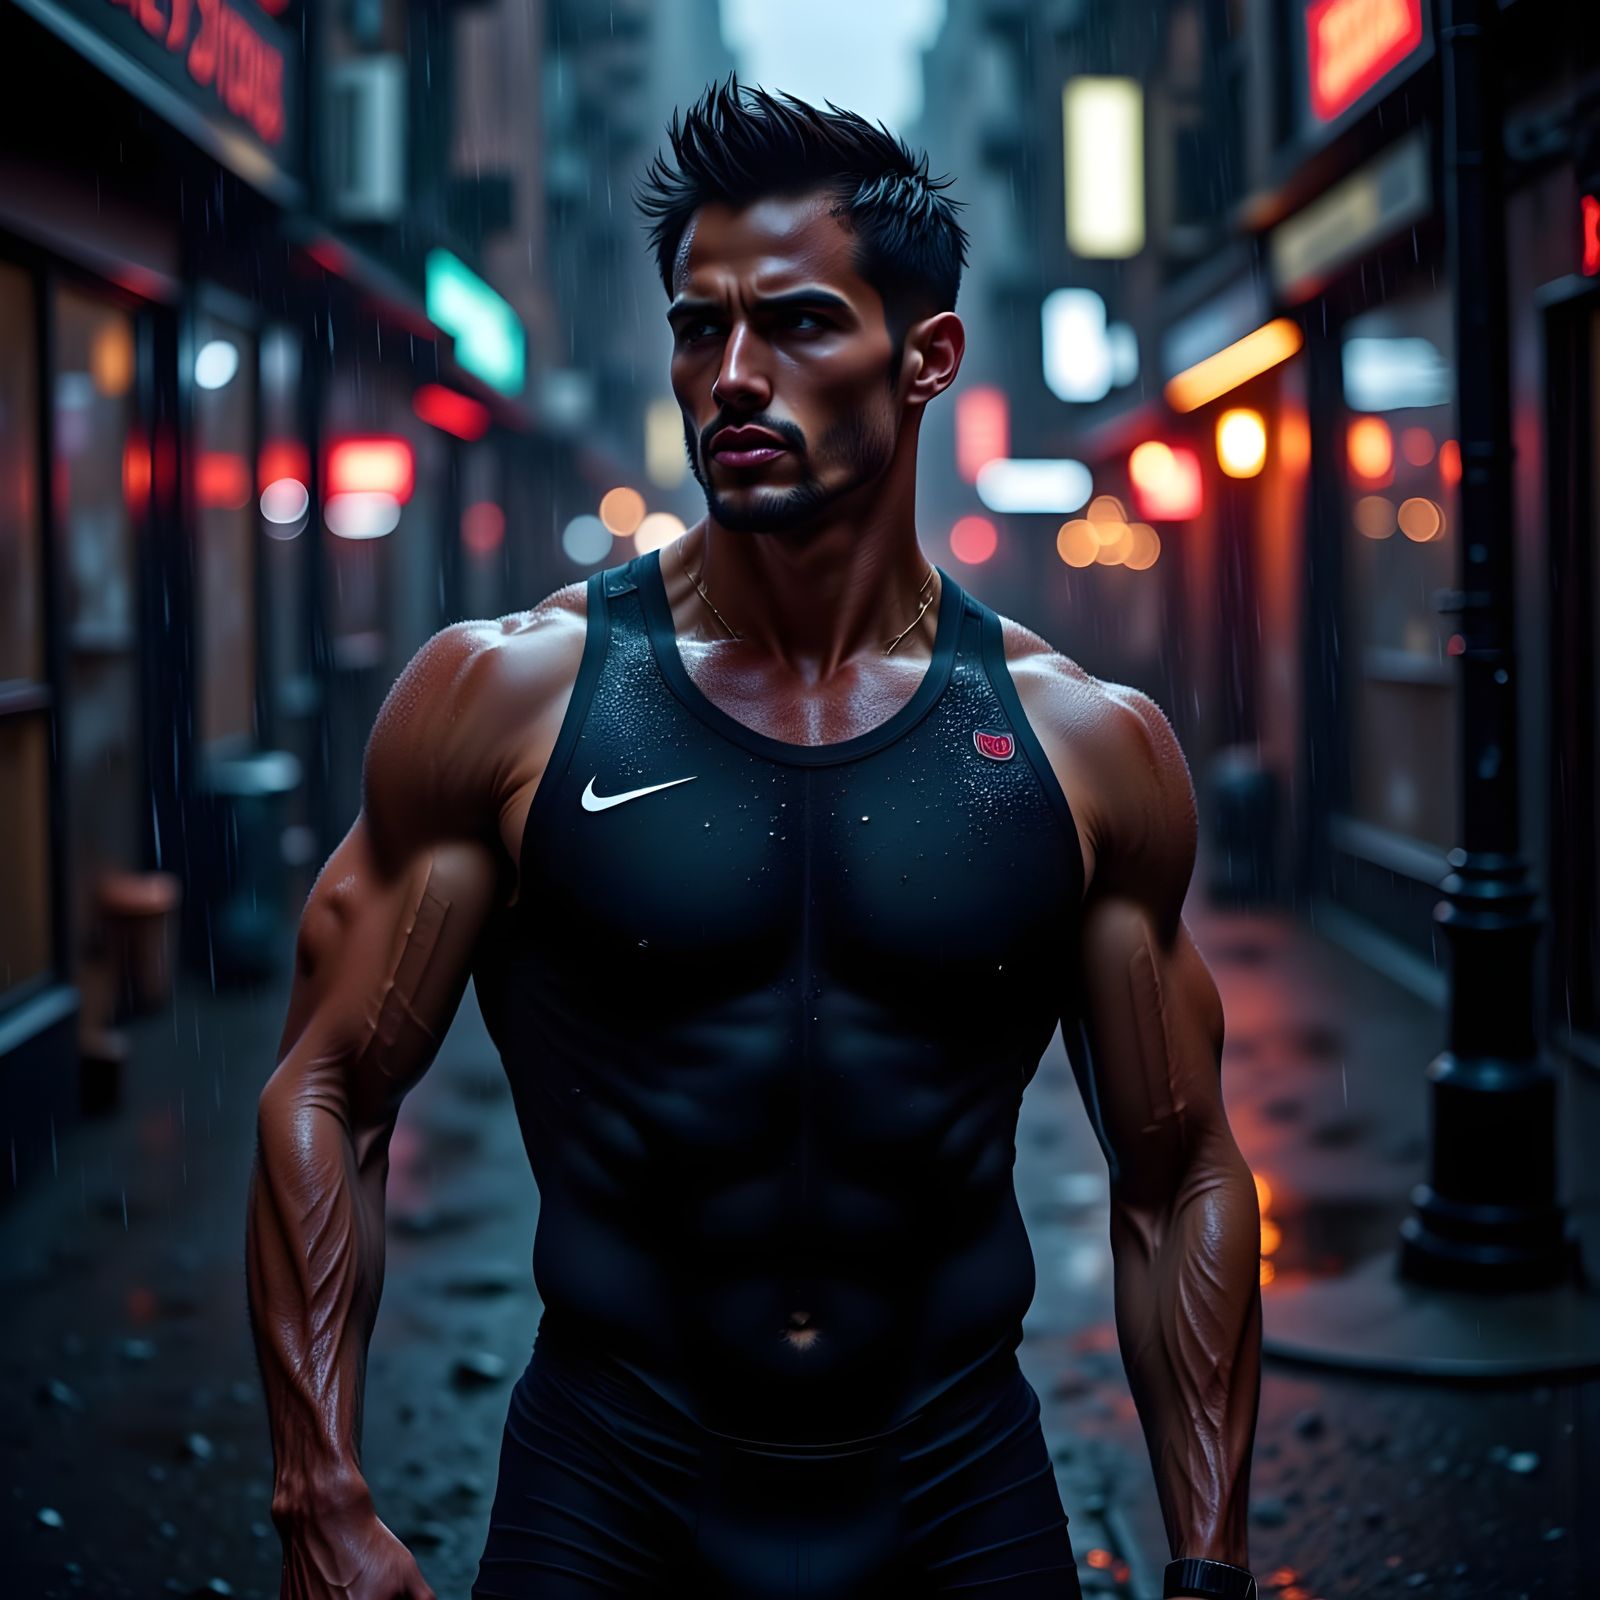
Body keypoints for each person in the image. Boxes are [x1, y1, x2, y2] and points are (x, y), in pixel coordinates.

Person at [246, 77, 1262, 1600]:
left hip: (954, 1484)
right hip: (608, 1479)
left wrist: (1213, 1562)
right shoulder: (506, 699)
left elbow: (1176, 1172)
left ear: (927, 360)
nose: (729, 375)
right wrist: (320, 1493)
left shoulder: (1083, 744)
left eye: (793, 324)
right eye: (696, 326)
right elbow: (328, 1088)